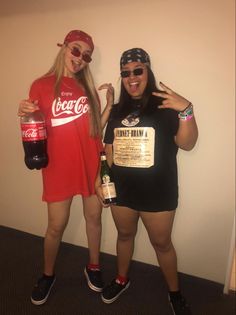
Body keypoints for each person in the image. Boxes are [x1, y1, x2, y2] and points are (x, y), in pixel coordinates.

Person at [95, 48, 198, 315]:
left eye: (138, 70)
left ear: (148, 71)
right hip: (124, 191)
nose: (132, 77)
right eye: (125, 73)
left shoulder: (165, 105)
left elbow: (188, 144)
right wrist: (101, 178)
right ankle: (121, 279)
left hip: (158, 193)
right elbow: (109, 151)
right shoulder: (118, 110)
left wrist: (186, 110)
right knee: (124, 235)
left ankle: (174, 294)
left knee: (162, 244)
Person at [18, 30, 114, 305]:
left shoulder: (87, 89)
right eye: (75, 50)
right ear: (63, 48)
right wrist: (23, 112)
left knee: (94, 220)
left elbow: (95, 128)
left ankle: (93, 266)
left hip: (90, 165)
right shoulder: (41, 85)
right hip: (59, 167)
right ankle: (47, 274)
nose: (80, 58)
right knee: (55, 227)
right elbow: (32, 125)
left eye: (86, 55)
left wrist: (107, 106)